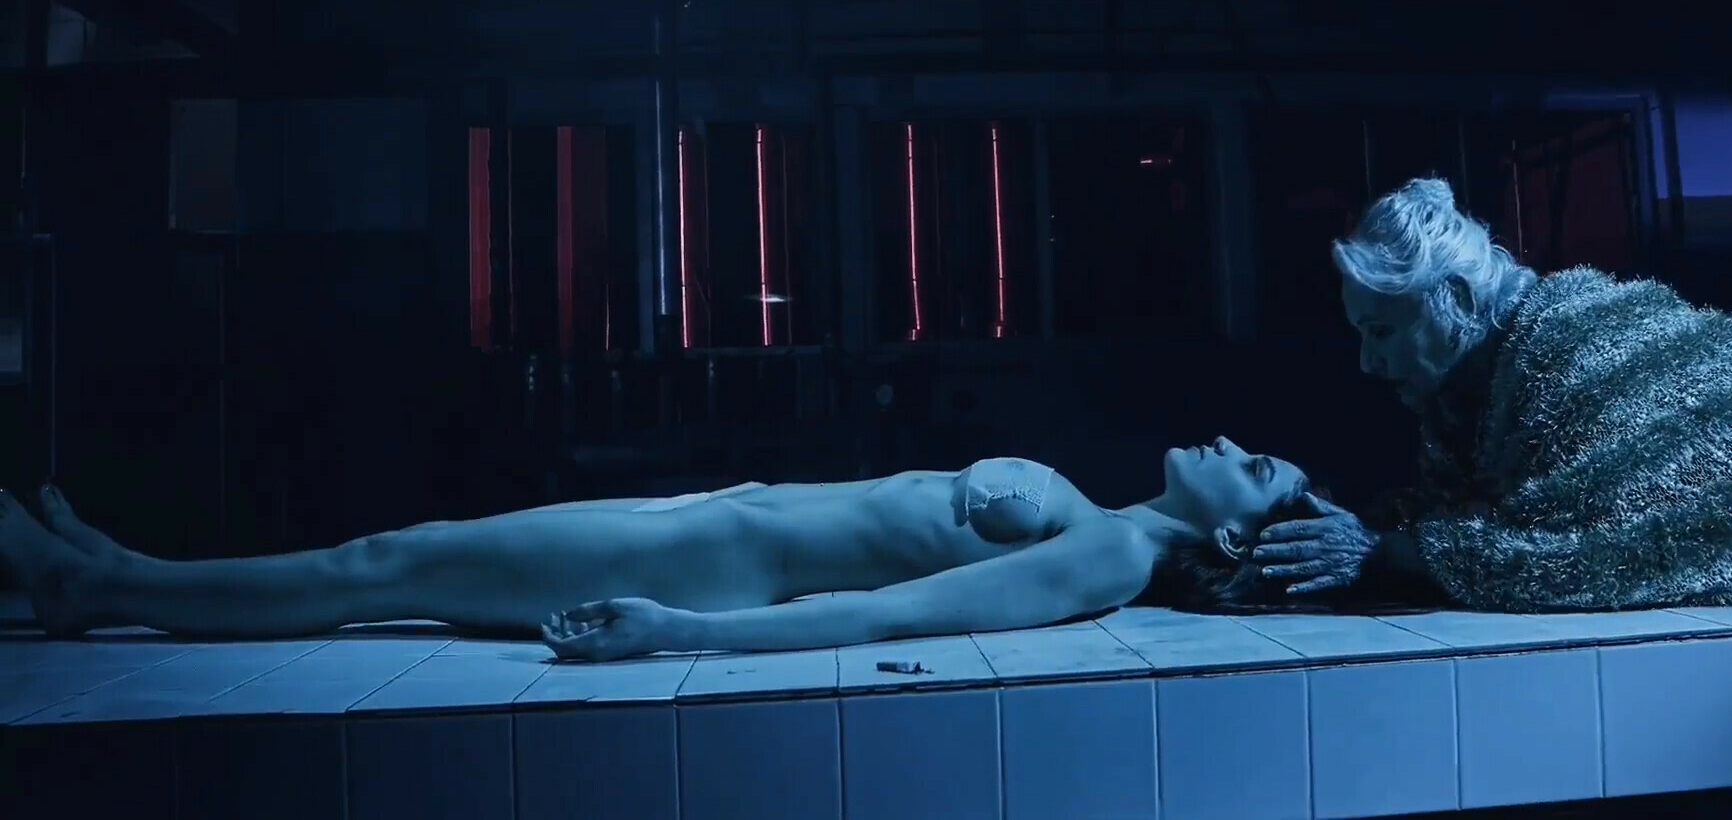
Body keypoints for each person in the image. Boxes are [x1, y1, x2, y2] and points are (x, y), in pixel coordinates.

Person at [0, 436, 1338, 661]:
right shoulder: (1094, 506)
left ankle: (94, 588)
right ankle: (131, 575)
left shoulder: (1108, 556)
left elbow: (895, 617)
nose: (1236, 442)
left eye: (1260, 464)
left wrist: (681, 632)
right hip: (709, 522)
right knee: (401, 552)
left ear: (1235, 527)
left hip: (707, 572)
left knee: (389, 565)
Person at [1249, 175, 1732, 611]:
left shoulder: (1582, 350)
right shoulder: (1464, 399)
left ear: (1454, 300)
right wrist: (1363, 529)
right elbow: (1467, 511)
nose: (1368, 363)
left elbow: (1621, 557)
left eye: (1381, 332)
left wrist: (1391, 553)